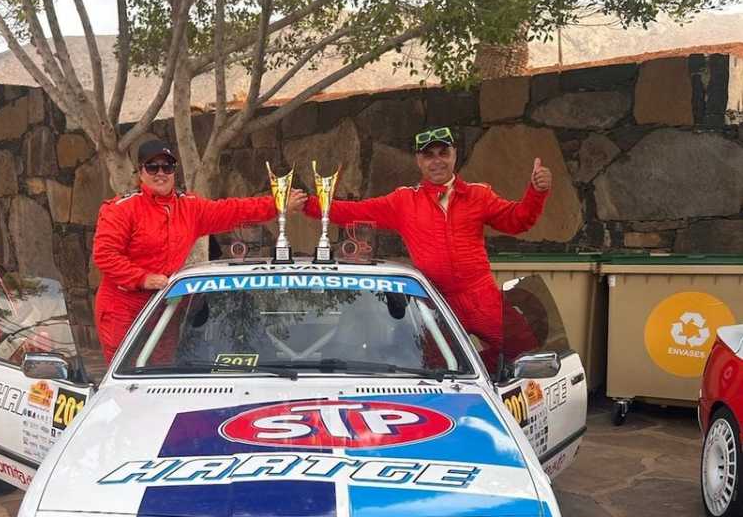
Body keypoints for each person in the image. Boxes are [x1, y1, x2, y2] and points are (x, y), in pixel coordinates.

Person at [304, 125, 552, 363]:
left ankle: (486, 376)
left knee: (526, 353)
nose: (437, 161)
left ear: (454, 154)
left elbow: (517, 221)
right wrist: (307, 203)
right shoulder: (404, 201)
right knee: (433, 366)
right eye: (428, 155)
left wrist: (536, 192)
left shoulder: (479, 195)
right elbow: (352, 211)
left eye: (443, 153)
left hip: (482, 295)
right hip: (438, 302)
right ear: (418, 161)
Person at [93, 139, 306, 362]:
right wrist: (143, 278)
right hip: (123, 307)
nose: (161, 173)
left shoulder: (190, 208)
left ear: (174, 171)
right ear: (140, 172)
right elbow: (105, 255)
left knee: (160, 370)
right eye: (152, 167)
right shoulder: (122, 209)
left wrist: (277, 204)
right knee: (126, 371)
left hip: (164, 305)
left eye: (167, 167)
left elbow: (233, 210)